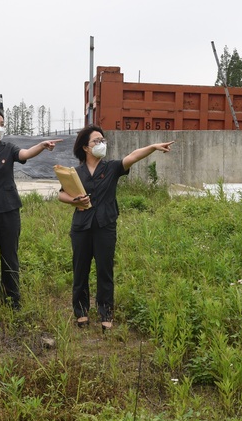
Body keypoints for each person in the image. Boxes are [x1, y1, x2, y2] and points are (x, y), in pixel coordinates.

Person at [58, 125, 174, 331]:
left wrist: (153, 147)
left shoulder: (111, 168)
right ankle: (81, 311)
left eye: (103, 140)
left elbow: (133, 156)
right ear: (86, 147)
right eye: (96, 141)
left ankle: (105, 313)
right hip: (81, 227)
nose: (101, 144)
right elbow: (61, 194)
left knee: (105, 270)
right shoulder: (74, 172)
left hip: (105, 226)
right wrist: (75, 201)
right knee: (80, 270)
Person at [0, 110, 62, 311]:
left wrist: (41, 146)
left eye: (2, 123)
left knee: (10, 254)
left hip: (9, 209)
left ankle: (13, 299)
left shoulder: (8, 148)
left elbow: (24, 154)